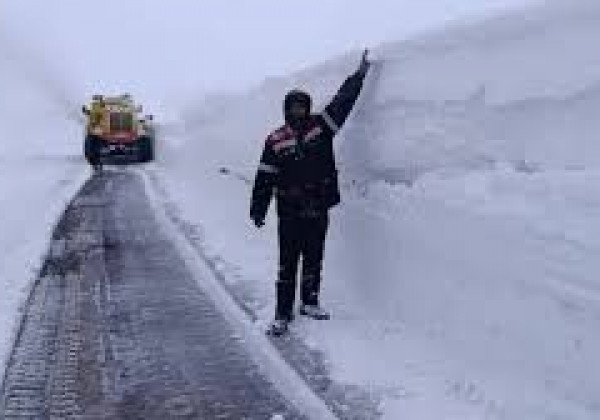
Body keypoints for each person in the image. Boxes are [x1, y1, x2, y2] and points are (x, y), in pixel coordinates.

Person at [250, 50, 371, 336]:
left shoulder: (321, 126)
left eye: (302, 107)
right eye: (293, 108)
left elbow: (342, 103)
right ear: (286, 110)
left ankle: (310, 302)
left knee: (314, 257)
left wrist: (358, 76)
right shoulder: (275, 139)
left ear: (307, 108)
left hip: (317, 206)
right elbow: (264, 176)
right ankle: (282, 313)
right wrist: (258, 208)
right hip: (289, 211)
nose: (298, 112)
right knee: (287, 262)